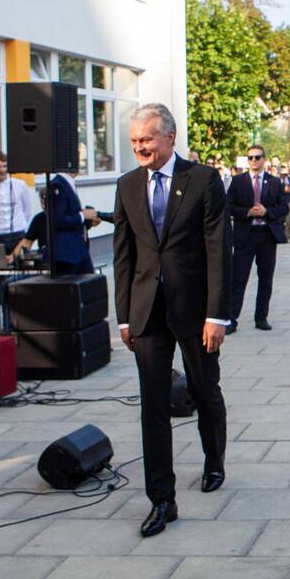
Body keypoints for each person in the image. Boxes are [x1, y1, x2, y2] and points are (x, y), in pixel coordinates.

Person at [112, 103, 231, 537]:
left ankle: (213, 459)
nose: (140, 147)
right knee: (153, 405)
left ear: (170, 137)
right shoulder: (126, 186)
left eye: (147, 139)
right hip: (147, 312)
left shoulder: (202, 180)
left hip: (195, 311)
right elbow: (123, 255)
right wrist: (124, 317)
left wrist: (218, 315)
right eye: (134, 142)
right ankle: (162, 499)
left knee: (204, 390)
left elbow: (219, 250)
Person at [227, 145, 287, 334]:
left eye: (257, 157)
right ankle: (231, 319)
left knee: (266, 278)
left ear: (264, 159)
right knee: (238, 278)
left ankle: (261, 317)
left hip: (267, 235)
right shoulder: (238, 181)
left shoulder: (274, 182)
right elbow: (228, 206)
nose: (253, 161)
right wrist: (247, 212)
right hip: (246, 235)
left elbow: (284, 207)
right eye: (250, 158)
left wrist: (267, 212)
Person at [0, 151, 34, 253]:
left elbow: (27, 210)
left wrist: (20, 224)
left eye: (5, 166)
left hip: (18, 234)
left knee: (22, 267)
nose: (2, 170)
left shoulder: (20, 185)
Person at [48, 171, 98, 275]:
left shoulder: (66, 183)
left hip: (78, 250)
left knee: (89, 284)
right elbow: (59, 220)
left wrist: (87, 221)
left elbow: (70, 215)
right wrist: (82, 215)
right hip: (67, 254)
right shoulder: (58, 184)